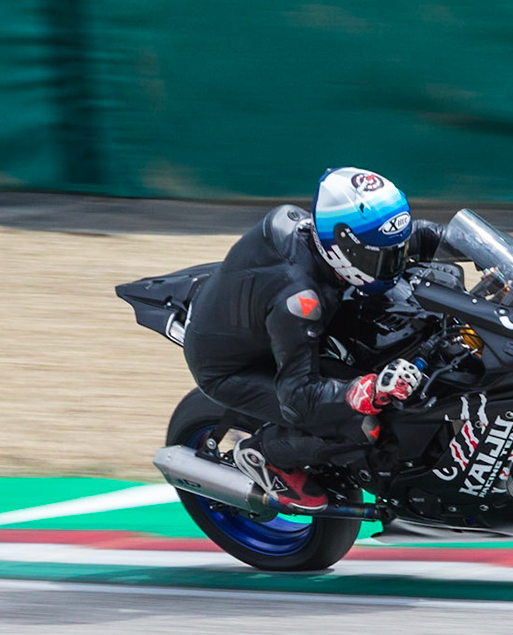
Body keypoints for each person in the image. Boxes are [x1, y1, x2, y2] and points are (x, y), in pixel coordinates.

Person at [182, 167, 438, 511]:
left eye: (395, 250)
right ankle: (264, 454)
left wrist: (486, 253)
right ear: (342, 246)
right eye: (381, 256)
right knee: (363, 423)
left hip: (270, 322)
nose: (393, 262)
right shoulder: (300, 300)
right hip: (235, 367)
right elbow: (298, 397)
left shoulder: (338, 241)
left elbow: (424, 236)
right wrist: (368, 390)